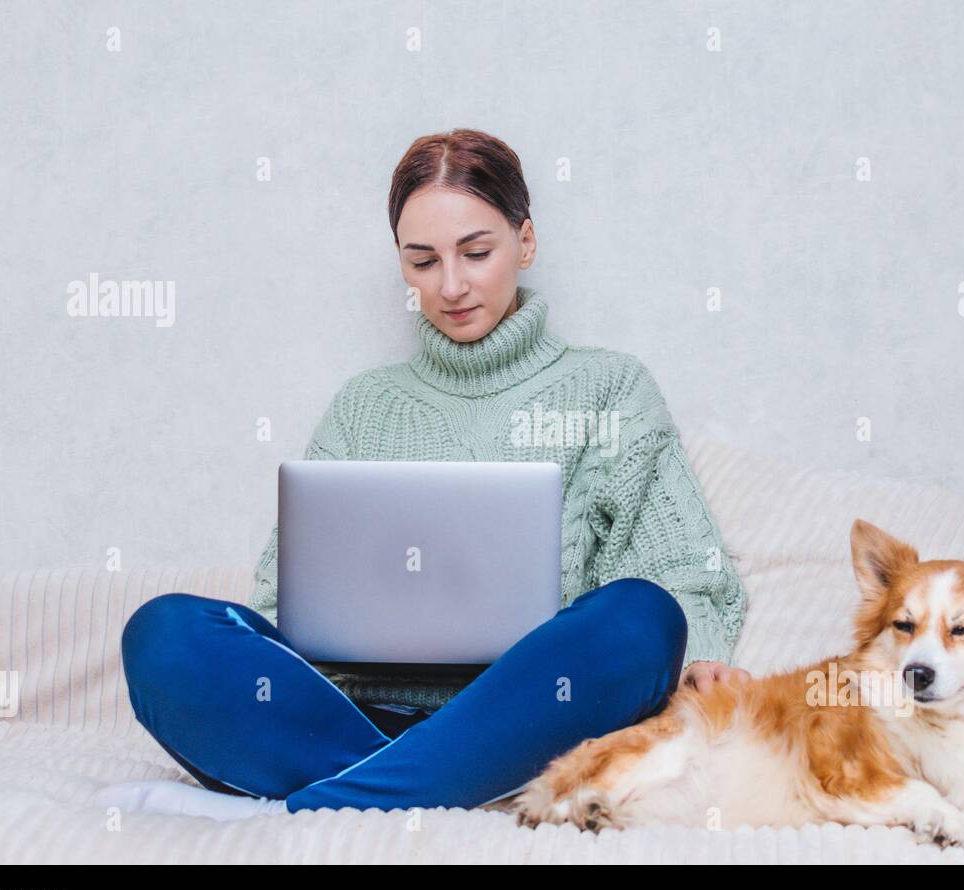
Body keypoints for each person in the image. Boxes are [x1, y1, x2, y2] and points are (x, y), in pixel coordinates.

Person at [93, 128, 749, 822]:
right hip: (344, 711)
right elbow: (279, 603)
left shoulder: (610, 387)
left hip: (529, 718)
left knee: (644, 618)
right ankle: (415, 782)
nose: (452, 285)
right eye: (423, 261)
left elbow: (689, 571)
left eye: (477, 252)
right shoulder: (362, 407)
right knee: (161, 634)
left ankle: (297, 809)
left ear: (525, 243)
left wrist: (700, 649)